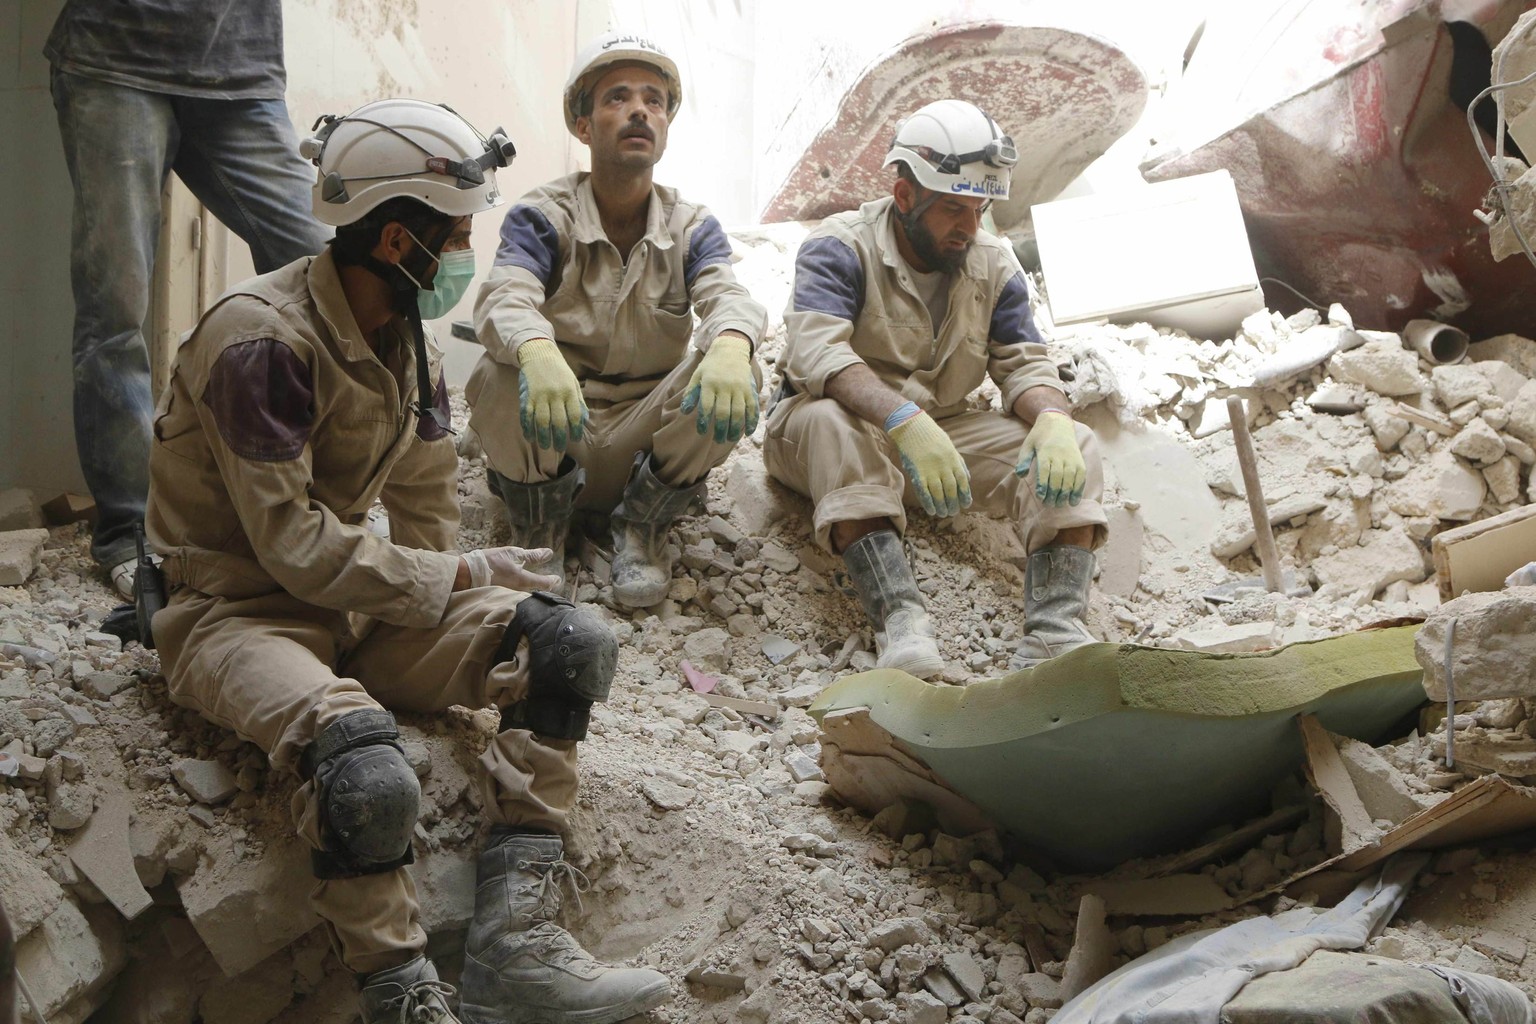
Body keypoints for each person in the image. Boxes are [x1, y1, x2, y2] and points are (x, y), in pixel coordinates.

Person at [144, 99, 671, 1024]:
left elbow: (424, 499)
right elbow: (294, 546)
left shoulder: (403, 342)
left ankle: (515, 951)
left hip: (349, 609)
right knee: (366, 768)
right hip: (234, 616)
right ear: (398, 240)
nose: (467, 256)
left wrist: (470, 603)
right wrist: (456, 581)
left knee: (566, 642)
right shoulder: (260, 343)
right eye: (458, 235)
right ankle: (400, 995)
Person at [763, 100, 1110, 678]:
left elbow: (1024, 363)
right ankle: (901, 621)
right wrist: (902, 418)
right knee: (830, 421)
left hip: (936, 443)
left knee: (1076, 440)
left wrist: (1050, 418)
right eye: (953, 208)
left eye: (980, 208)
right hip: (824, 437)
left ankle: (1053, 629)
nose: (969, 227)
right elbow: (817, 352)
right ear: (905, 198)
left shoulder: (993, 265)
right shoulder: (840, 246)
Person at [45, 0, 333, 598]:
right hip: (113, 57)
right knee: (115, 308)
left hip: (241, 71)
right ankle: (130, 532)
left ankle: (320, 504)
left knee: (324, 271)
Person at [469, 32, 766, 606]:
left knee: (735, 369)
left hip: (645, 443)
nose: (639, 111)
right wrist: (536, 349)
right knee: (499, 368)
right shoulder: (542, 215)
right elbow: (505, 295)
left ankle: (643, 528)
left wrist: (732, 342)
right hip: (557, 427)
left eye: (654, 100)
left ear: (666, 127)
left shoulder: (691, 225)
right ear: (583, 126)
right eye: (617, 98)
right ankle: (539, 531)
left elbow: (727, 294)